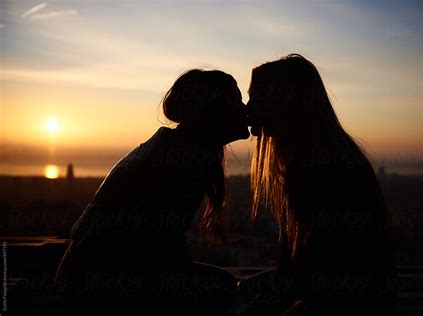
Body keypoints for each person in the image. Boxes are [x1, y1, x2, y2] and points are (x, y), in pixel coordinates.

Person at [55, 69, 250, 315]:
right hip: (102, 287)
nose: (245, 109)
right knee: (223, 289)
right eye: (235, 101)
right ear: (212, 112)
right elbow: (165, 245)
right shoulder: (188, 158)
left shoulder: (175, 146)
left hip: (87, 276)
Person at [241, 54, 396, 315]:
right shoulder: (316, 158)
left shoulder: (323, 167)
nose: (247, 108)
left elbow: (337, 270)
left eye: (256, 97)